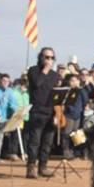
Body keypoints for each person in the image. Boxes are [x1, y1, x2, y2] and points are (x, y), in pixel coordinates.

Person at [25, 47, 61, 179]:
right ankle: (31, 168)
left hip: (50, 112)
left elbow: (58, 96)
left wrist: (57, 114)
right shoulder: (33, 71)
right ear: (41, 57)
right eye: (46, 57)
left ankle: (43, 167)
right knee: (34, 142)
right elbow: (37, 84)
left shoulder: (55, 75)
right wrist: (45, 70)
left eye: (51, 58)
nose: (49, 60)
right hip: (37, 112)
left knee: (47, 142)